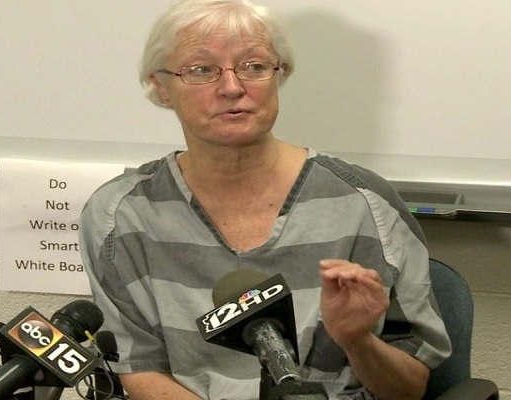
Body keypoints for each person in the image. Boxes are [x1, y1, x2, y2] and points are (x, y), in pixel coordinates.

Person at [79, 0, 451, 399]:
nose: (232, 87)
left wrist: (358, 341)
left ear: (280, 74)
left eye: (253, 66)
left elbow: (409, 389)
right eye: (201, 70)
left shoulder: (365, 203)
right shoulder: (121, 215)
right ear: (161, 87)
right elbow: (140, 371)